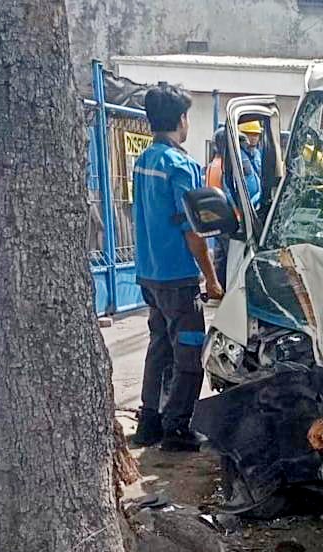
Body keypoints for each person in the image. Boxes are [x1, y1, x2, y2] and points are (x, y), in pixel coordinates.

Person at [129, 83, 223, 453]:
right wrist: (213, 281)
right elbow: (193, 234)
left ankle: (149, 420)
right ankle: (177, 428)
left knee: (159, 347)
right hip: (178, 277)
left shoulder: (143, 162)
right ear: (182, 119)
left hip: (149, 274)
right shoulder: (181, 166)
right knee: (189, 352)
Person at [205, 126, 232, 292]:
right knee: (230, 257)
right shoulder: (223, 166)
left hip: (215, 218)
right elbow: (228, 194)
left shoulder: (212, 164)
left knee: (221, 256)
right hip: (227, 218)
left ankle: (221, 287)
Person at [237, 120, 264, 209]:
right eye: (249, 134)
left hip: (257, 204)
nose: (253, 138)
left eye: (256, 134)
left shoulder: (257, 154)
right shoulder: (236, 155)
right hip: (243, 206)